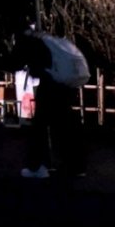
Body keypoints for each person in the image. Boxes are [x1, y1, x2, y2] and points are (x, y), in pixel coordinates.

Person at [13, 30, 86, 180]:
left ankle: (37, 166)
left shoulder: (29, 40)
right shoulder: (48, 39)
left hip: (49, 87)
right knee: (64, 125)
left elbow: (15, 62)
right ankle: (75, 166)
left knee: (39, 126)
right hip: (64, 86)